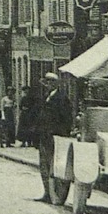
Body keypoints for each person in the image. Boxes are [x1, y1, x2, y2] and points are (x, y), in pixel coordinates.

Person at [35, 73, 72, 204]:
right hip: (44, 136)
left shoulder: (62, 99)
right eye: (46, 83)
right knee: (44, 165)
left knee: (54, 166)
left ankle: (55, 195)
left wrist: (59, 135)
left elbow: (66, 120)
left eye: (49, 83)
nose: (47, 85)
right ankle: (47, 193)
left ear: (55, 84)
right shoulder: (46, 97)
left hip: (55, 137)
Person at [17, 84, 40, 149]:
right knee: (23, 129)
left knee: (29, 129)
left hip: (30, 115)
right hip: (24, 115)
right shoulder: (23, 98)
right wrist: (23, 108)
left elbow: (34, 106)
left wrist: (29, 109)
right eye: (25, 91)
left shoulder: (32, 98)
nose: (26, 92)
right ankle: (23, 142)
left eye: (27, 90)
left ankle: (30, 142)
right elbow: (20, 106)